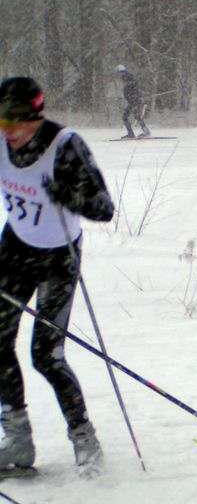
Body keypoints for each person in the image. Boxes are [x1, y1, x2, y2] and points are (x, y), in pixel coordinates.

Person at [0, 76, 114, 475]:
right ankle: (18, 443)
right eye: (0, 120)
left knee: (46, 356)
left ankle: (85, 440)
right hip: (15, 250)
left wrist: (68, 196)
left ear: (35, 114)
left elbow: (103, 208)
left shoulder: (65, 146)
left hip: (57, 258)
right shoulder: (2, 141)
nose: (7, 130)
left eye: (13, 120)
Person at [116, 65, 150, 139]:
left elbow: (133, 88)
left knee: (126, 116)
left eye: (118, 73)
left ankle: (134, 133)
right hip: (133, 100)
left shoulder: (127, 77)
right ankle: (144, 132)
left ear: (121, 72)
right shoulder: (126, 78)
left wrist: (133, 97)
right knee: (136, 116)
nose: (118, 75)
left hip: (134, 100)